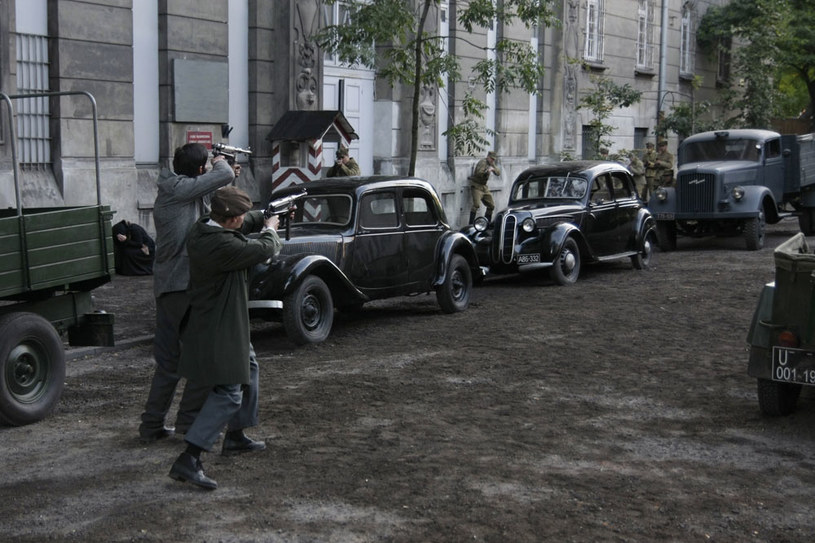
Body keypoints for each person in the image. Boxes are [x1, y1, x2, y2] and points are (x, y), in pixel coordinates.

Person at [168, 186, 282, 490]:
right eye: (241, 215)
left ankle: (235, 435)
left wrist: (265, 216)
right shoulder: (220, 245)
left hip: (225, 321)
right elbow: (264, 249)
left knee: (251, 367)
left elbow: (242, 224)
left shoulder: (204, 227)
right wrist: (271, 229)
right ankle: (190, 457)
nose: (243, 219)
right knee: (230, 391)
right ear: (229, 219)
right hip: (218, 326)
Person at [138, 143, 235, 442]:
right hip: (186, 287)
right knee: (203, 357)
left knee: (168, 364)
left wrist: (217, 172)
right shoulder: (180, 190)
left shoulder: (175, 189)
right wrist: (222, 165)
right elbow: (226, 174)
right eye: (204, 167)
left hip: (168, 287)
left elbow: (210, 203)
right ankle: (189, 424)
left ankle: (152, 425)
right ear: (198, 170)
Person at [468, 150, 501, 224]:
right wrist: (487, 171)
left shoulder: (491, 163)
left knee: (491, 206)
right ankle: (470, 224)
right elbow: (478, 173)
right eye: (491, 159)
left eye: (494, 159)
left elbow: (498, 173)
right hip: (477, 186)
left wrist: (493, 169)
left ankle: (486, 223)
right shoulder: (482, 162)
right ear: (488, 157)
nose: (492, 161)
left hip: (484, 187)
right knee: (476, 205)